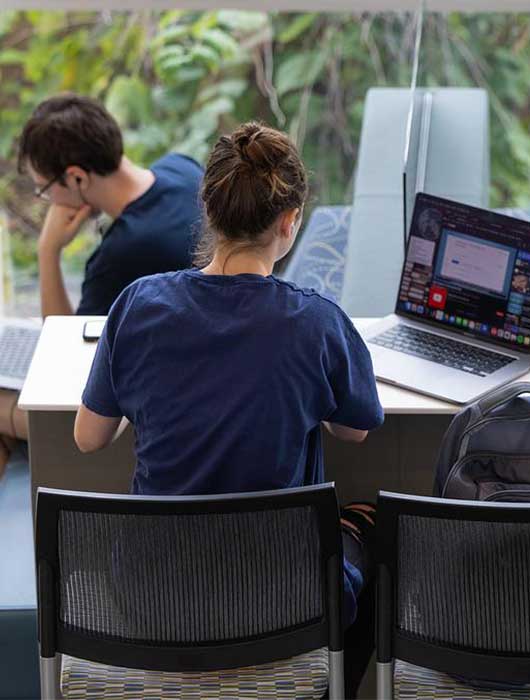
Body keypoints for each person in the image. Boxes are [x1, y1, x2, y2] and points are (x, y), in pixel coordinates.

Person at [73, 122, 384, 696]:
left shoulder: (138, 305)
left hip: (150, 597)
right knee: (379, 536)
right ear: (290, 223)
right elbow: (355, 430)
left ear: (209, 212)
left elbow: (89, 438)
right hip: (279, 603)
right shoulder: (316, 322)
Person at [0, 94, 203, 472]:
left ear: (76, 176)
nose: (49, 202)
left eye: (45, 189)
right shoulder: (183, 169)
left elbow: (61, 351)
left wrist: (48, 251)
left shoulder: (123, 254)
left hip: (140, 418)